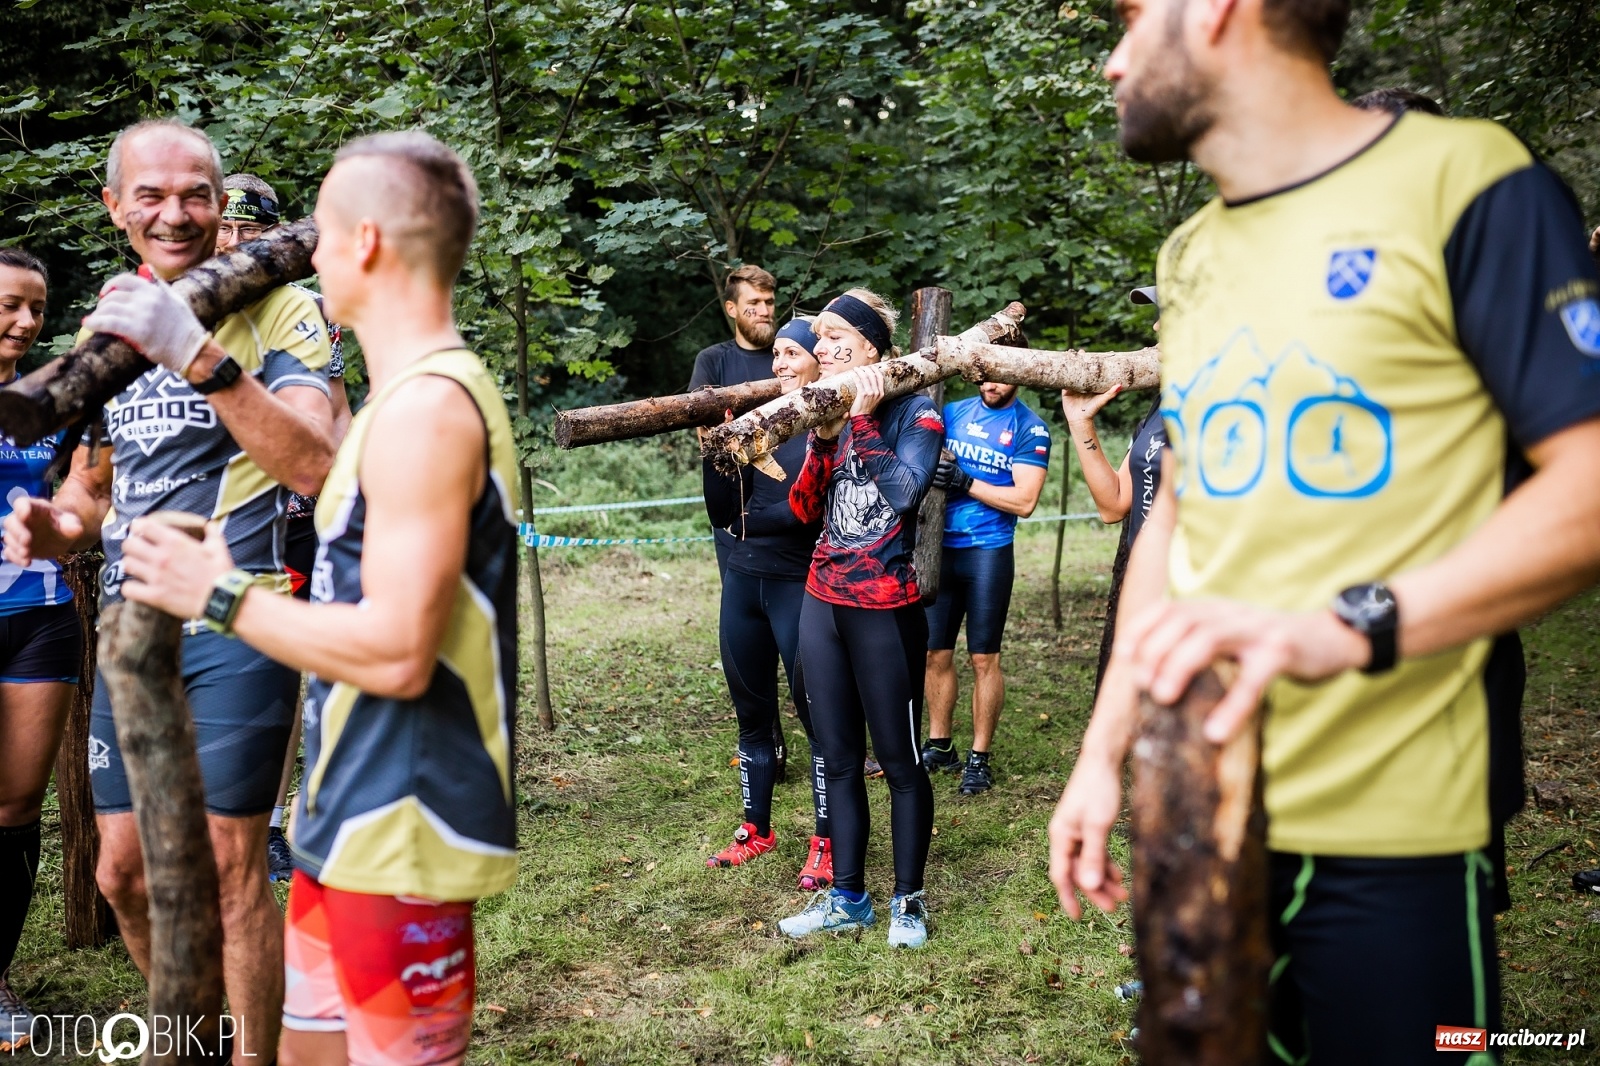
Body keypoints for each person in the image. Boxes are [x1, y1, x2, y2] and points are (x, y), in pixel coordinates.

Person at [1048, 2, 1600, 1063]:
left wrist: (1346, 627)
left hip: (1400, 836)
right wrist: (1100, 749)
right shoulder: (1190, 251)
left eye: (1126, 19)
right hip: (1201, 809)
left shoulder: (1470, 179)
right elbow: (1178, 510)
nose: (1114, 61)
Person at [117, 131, 517, 1066]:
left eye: (318, 235)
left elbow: (397, 651)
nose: (302, 253)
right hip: (340, 817)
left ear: (367, 241)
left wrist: (218, 598)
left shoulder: (428, 410)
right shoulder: (389, 405)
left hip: (407, 824)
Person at [2, 119, 336, 1065]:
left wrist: (193, 349)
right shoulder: (105, 325)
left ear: (223, 203)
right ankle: (192, 1043)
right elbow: (93, 492)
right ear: (116, 210)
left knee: (231, 869)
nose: (175, 212)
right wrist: (52, 526)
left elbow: (314, 463)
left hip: (243, 611)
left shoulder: (284, 310)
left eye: (195, 193)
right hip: (129, 627)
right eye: (149, 195)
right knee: (125, 875)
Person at [777, 288, 943, 949]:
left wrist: (866, 421)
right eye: (816, 339)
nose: (821, 349)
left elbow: (904, 494)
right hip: (824, 603)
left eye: (834, 336)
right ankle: (849, 897)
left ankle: (909, 900)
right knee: (838, 758)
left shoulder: (919, 413)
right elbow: (801, 511)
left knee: (900, 763)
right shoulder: (834, 414)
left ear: (871, 346)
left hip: (885, 612)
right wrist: (823, 439)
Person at [216, 170, 356, 884]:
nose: (238, 245)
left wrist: (359, 495)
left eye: (252, 231)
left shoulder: (307, 311)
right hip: (218, 524)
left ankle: (273, 824)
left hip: (298, 519)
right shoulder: (186, 305)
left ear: (279, 236)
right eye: (226, 230)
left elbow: (336, 408)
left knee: (291, 670)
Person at [702, 318, 832, 889]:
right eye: (774, 354)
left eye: (790, 354)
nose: (777, 364)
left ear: (817, 362)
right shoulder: (759, 424)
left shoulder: (828, 426)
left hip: (797, 585)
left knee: (818, 719)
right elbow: (721, 512)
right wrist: (717, 451)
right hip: (742, 582)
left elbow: (808, 513)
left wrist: (753, 519)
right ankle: (757, 830)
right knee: (751, 715)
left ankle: (828, 841)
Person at [0, 250, 83, 1048]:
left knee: (18, 807)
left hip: (41, 613)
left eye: (37, 308)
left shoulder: (55, 392)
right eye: (10, 307)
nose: (27, 323)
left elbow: (85, 490)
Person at [921, 371, 1051, 796]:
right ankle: (940, 745)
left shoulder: (1030, 428)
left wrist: (967, 482)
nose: (991, 385)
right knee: (935, 652)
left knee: (983, 659)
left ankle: (979, 757)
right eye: (984, 378)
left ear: (1017, 376)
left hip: (988, 551)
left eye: (1000, 378)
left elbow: (1025, 500)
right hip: (940, 547)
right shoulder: (953, 412)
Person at [688, 264, 778, 575]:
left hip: (788, 504)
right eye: (753, 303)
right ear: (732, 309)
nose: (764, 310)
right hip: (733, 506)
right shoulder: (712, 361)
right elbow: (706, 436)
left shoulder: (790, 358)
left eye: (768, 302)